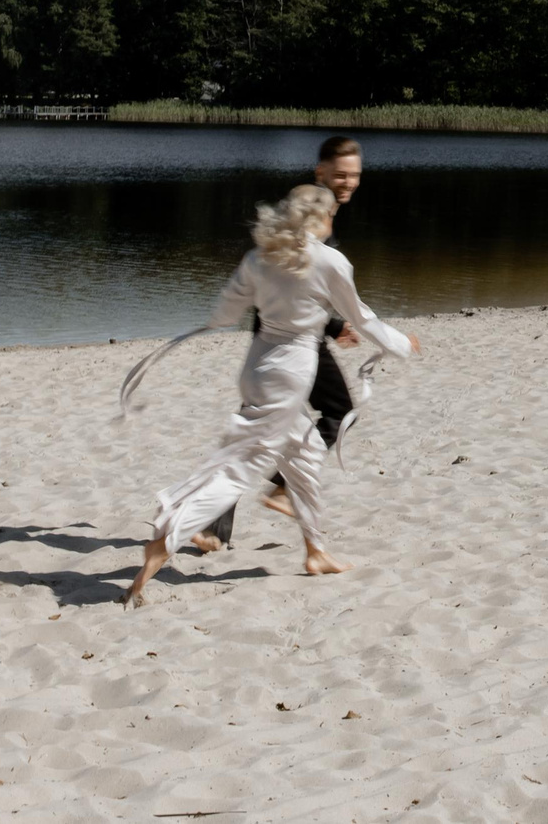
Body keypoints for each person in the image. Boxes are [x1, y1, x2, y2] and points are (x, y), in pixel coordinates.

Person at [126, 183, 418, 606]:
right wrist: (403, 345)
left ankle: (316, 552)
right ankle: (164, 541)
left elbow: (226, 311)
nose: (333, 221)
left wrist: (216, 320)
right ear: (319, 218)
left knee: (305, 453)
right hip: (290, 374)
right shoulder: (330, 261)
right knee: (240, 468)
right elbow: (363, 318)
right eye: (331, 215)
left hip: (256, 367)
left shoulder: (259, 256)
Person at [198, 135, 365, 548]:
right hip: (288, 342)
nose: (348, 182)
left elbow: (306, 283)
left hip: (285, 340)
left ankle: (214, 523)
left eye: (354, 175)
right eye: (340, 175)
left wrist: (332, 326)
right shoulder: (307, 208)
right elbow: (283, 278)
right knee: (339, 411)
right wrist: (333, 326)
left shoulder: (321, 211)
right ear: (321, 172)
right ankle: (279, 490)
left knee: (257, 430)